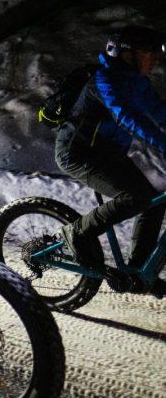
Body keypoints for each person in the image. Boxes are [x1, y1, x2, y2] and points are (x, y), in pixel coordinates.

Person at [56, 25, 166, 281]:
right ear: (127, 55)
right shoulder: (104, 81)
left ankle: (139, 272)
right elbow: (128, 117)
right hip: (78, 154)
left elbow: (160, 111)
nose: (154, 61)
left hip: (110, 154)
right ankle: (77, 233)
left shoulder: (138, 83)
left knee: (155, 200)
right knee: (133, 197)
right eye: (148, 54)